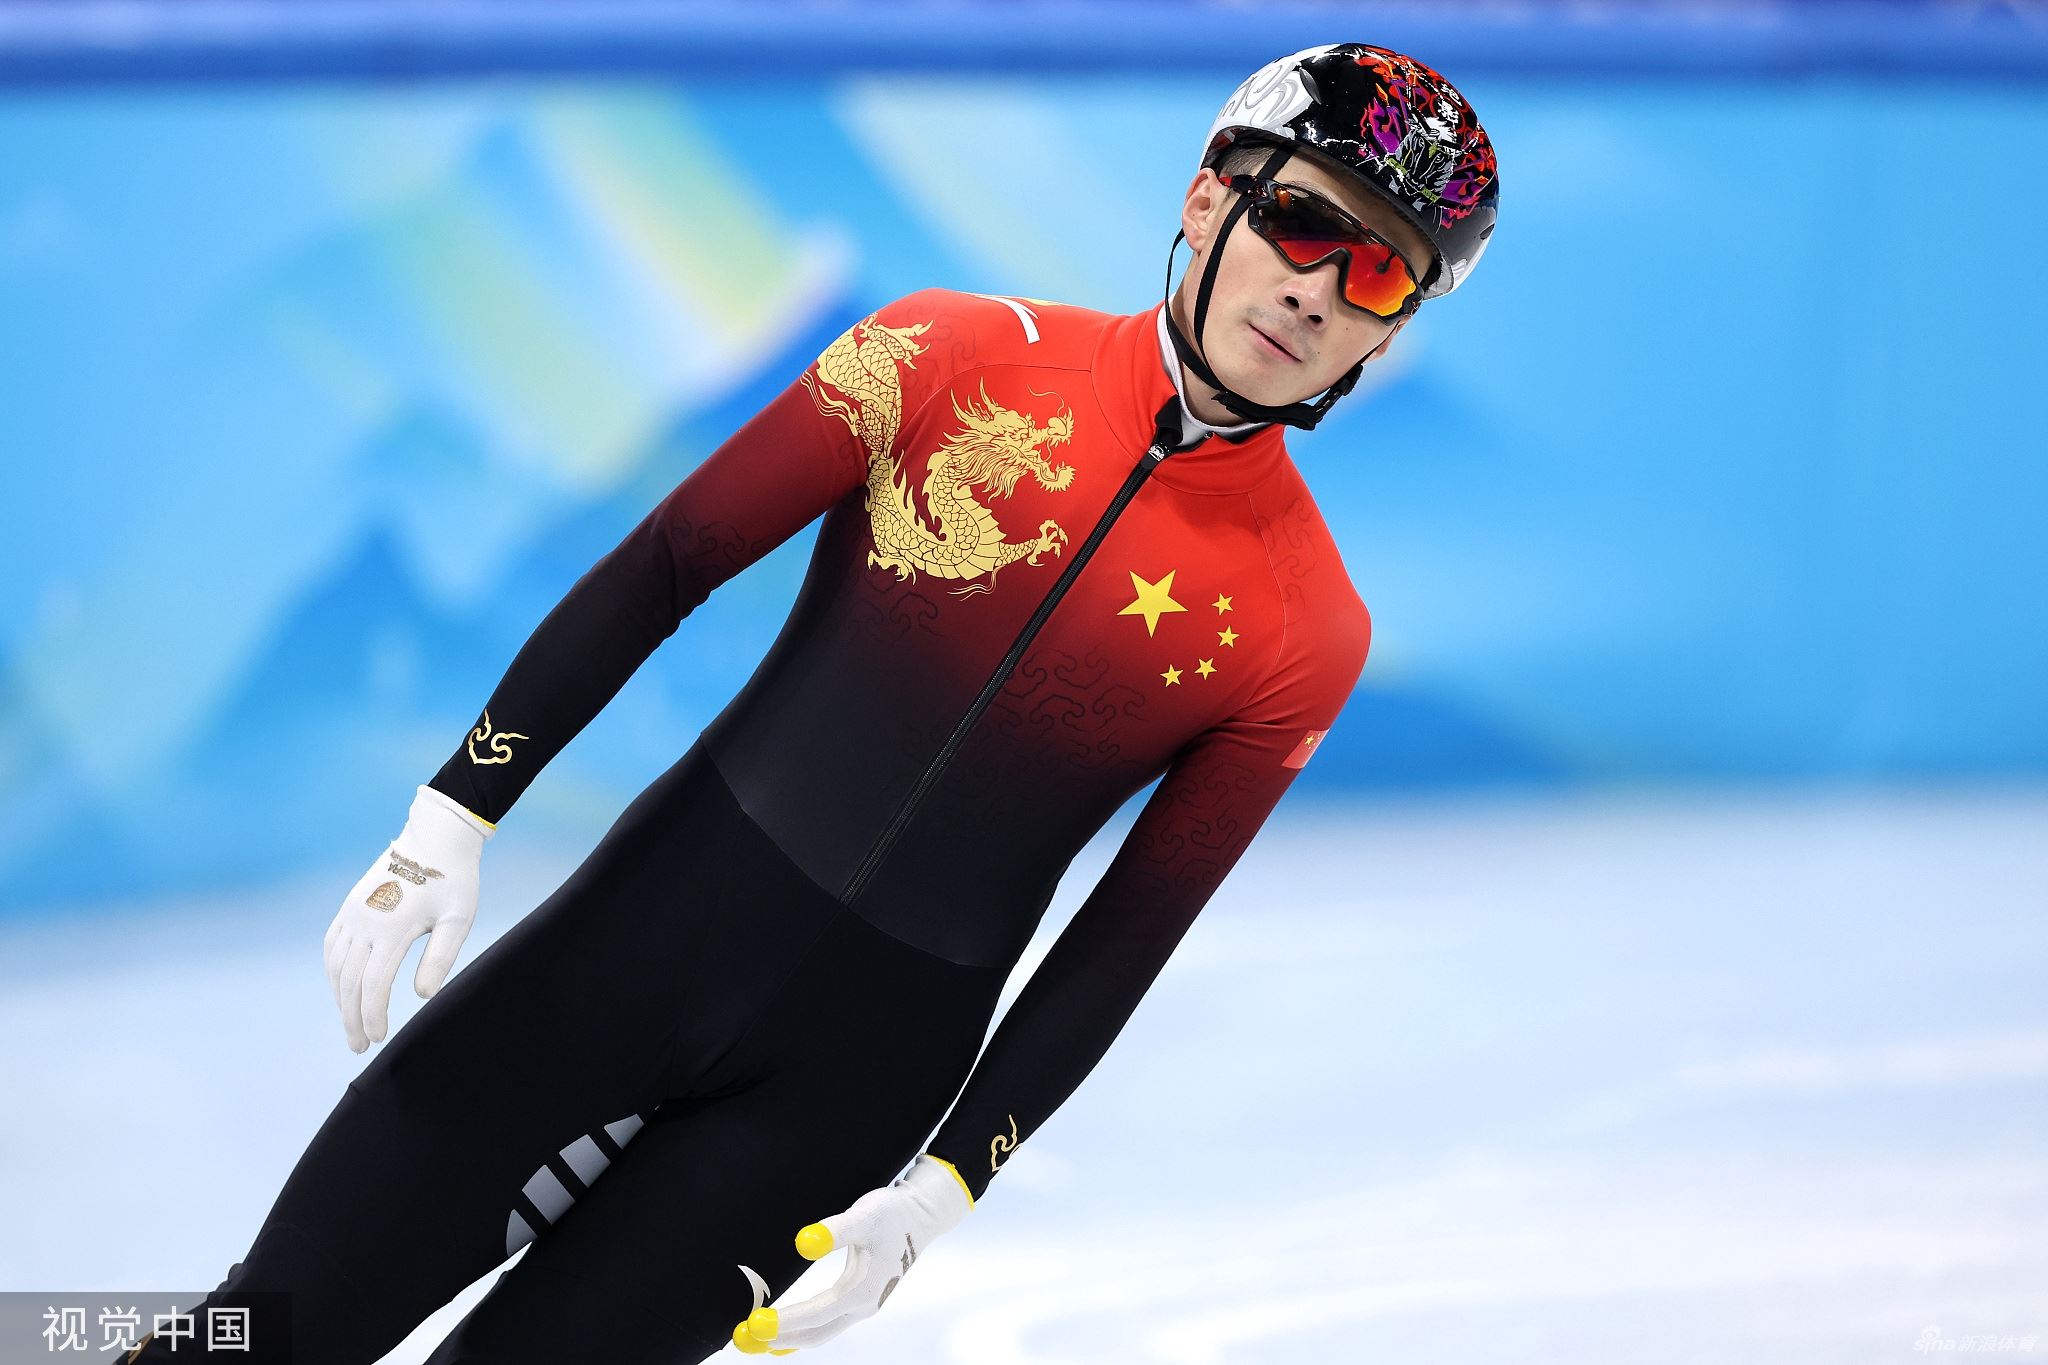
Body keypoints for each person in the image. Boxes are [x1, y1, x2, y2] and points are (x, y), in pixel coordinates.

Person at [115, 40, 1499, 1364]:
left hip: (834, 1103)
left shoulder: (1309, 628)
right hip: (623, 959)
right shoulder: (949, 353)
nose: (1319, 291)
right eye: (1305, 224)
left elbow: (1123, 938)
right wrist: (456, 809)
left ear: (1391, 329)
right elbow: (670, 562)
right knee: (255, 1336)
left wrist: (951, 1179)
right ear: (1210, 200)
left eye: (1381, 272)